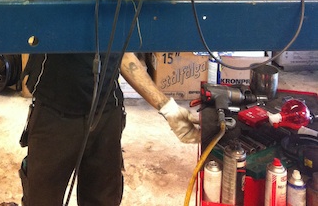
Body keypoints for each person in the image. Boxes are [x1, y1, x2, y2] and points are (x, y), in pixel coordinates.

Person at [19, 51, 199, 206]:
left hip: (105, 112)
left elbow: (123, 54)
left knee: (103, 198)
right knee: (42, 198)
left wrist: (168, 108)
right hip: (53, 111)